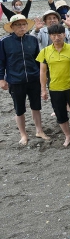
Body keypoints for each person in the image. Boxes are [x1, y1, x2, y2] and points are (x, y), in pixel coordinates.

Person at [0, 14, 49, 145]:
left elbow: (38, 60)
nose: (21, 27)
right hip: (15, 80)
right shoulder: (4, 42)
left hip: (33, 78)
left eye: (23, 24)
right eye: (18, 25)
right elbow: (1, 62)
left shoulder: (32, 40)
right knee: (19, 109)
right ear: (12, 27)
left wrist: (41, 77)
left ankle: (39, 130)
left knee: (36, 106)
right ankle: (23, 134)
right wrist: (1, 79)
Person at [37, 23, 70, 147]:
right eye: (54, 35)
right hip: (55, 88)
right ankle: (68, 136)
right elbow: (42, 72)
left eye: (59, 34)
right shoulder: (45, 51)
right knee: (60, 113)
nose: (57, 38)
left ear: (64, 35)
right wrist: (43, 89)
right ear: (50, 36)